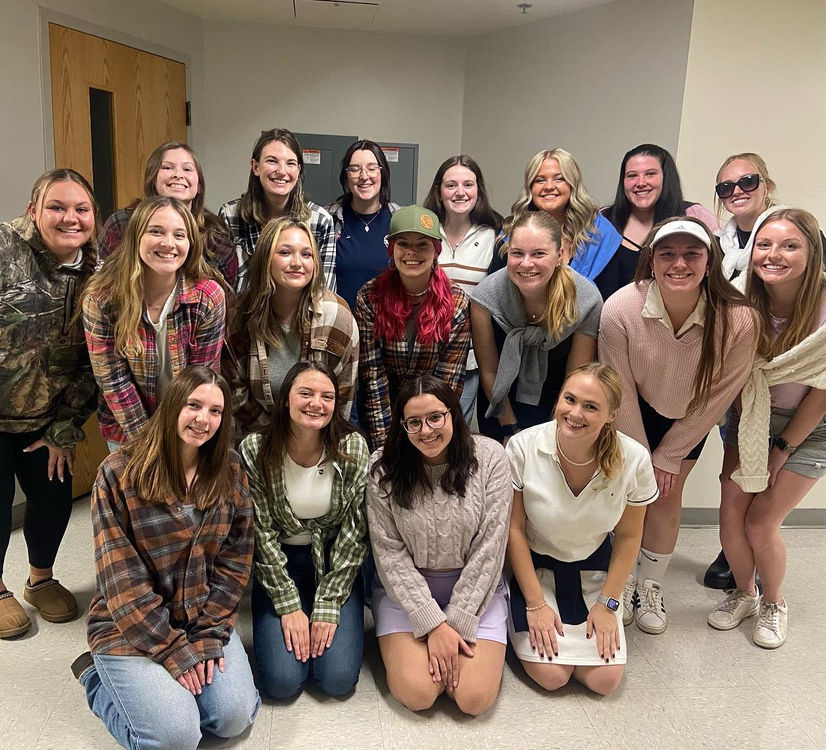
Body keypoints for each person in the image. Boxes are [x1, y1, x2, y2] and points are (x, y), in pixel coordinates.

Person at [71, 366, 260, 750]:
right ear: (173, 405)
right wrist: (172, 651)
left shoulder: (230, 469)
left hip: (201, 617)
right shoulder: (118, 474)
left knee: (233, 717)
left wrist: (208, 635)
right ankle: (95, 677)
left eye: (215, 411)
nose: (203, 419)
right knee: (177, 738)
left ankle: (171, 697)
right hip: (132, 626)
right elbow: (122, 582)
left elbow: (235, 563)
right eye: (194, 405)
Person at [598, 217, 756, 635]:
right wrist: (640, 457)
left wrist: (669, 454)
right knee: (627, 495)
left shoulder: (738, 319)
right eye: (667, 254)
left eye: (692, 254)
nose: (679, 264)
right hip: (631, 409)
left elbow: (719, 395)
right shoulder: (621, 307)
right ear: (651, 261)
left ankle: (650, 586)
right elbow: (617, 385)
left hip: (688, 416)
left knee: (666, 498)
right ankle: (622, 580)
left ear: (709, 262)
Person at [707, 208, 826, 649]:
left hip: (812, 424)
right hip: (751, 415)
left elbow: (821, 391)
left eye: (790, 246)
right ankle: (745, 593)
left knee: (760, 523)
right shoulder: (738, 297)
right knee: (730, 519)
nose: (773, 255)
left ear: (812, 253)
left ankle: (774, 602)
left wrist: (782, 449)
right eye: (764, 244)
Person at [505, 363, 657, 695]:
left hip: (593, 570)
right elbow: (514, 530)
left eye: (590, 407)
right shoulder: (522, 447)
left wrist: (609, 603)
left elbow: (629, 536)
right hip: (535, 569)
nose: (575, 414)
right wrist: (535, 604)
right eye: (569, 399)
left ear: (611, 415)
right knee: (552, 676)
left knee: (604, 681)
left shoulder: (634, 459)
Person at [367, 375, 511, 715]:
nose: (426, 430)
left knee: (473, 698)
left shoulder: (491, 457)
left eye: (435, 417)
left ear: (453, 415)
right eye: (414, 422)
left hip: (477, 591)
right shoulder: (382, 467)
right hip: (406, 594)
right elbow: (389, 554)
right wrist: (433, 624)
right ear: (402, 426)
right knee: (417, 694)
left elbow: (490, 549)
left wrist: (456, 623)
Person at [0, 169, 99, 639]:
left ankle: (40, 579)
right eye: (57, 207)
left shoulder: (99, 270)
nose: (70, 218)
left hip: (49, 417)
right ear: (33, 210)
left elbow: (94, 359)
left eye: (81, 209)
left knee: (54, 500)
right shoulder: (5, 248)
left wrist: (65, 427)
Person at [240, 361, 369, 699]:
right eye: (306, 393)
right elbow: (261, 534)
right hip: (280, 564)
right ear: (286, 399)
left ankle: (321, 622)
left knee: (337, 680)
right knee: (282, 684)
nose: (317, 403)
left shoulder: (353, 447)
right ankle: (295, 621)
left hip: (334, 561)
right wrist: (288, 605)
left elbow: (355, 533)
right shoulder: (255, 449)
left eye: (327, 396)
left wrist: (328, 603)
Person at [82, 196, 226, 450]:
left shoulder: (208, 297)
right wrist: (149, 444)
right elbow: (114, 382)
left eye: (179, 235)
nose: (168, 243)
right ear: (136, 237)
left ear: (191, 243)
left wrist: (179, 438)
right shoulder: (102, 299)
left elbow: (201, 378)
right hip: (127, 429)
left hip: (188, 425)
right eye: (156, 231)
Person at [472, 210, 603, 443]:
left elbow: (575, 377)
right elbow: (489, 371)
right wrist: (510, 429)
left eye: (539, 253)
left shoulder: (586, 300)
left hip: (559, 408)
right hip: (500, 405)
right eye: (517, 253)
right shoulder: (486, 296)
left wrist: (553, 433)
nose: (526, 263)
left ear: (560, 255)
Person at [223, 217, 358, 440]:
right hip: (259, 438)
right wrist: (278, 440)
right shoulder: (239, 316)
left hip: (320, 438)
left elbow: (341, 396)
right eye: (285, 252)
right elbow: (237, 396)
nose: (297, 263)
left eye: (306, 254)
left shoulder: (337, 315)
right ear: (265, 258)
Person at [355, 205, 471, 451]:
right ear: (392, 249)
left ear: (436, 251)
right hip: (382, 415)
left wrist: (428, 436)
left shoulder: (457, 303)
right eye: (403, 244)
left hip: (435, 418)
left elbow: (447, 384)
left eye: (422, 244)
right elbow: (373, 378)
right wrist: (386, 447)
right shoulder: (370, 297)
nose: (412, 252)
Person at [423, 155, 502, 423]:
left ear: (478, 190)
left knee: (455, 428)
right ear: (439, 191)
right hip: (424, 349)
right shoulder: (425, 232)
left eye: (468, 184)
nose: (460, 192)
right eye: (451, 185)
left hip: (469, 357)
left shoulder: (494, 236)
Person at [99, 140, 237, 287]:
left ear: (199, 186)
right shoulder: (121, 223)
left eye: (187, 169)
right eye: (167, 167)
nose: (178, 175)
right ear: (152, 179)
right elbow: (103, 280)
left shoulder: (216, 235)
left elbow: (229, 295)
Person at [490, 148, 622, 299]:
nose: (549, 186)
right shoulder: (511, 232)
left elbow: (609, 300)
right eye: (539, 180)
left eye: (559, 179)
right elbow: (493, 295)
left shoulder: (600, 233)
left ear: (573, 184)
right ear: (530, 187)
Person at [220, 128, 335, 292]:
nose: (281, 171)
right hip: (244, 308)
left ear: (298, 170)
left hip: (302, 309)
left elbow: (323, 292)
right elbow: (223, 287)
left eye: (290, 163)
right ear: (256, 167)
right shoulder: (230, 216)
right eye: (272, 161)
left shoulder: (320, 221)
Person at [601, 144, 720, 293]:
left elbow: (719, 272)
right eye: (632, 175)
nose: (640, 183)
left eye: (650, 174)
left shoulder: (695, 215)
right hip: (610, 308)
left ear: (666, 177)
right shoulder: (602, 221)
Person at [328, 139, 400, 313]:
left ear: (383, 173)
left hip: (388, 325)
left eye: (372, 168)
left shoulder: (399, 220)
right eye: (355, 169)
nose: (364, 176)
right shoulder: (328, 219)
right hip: (339, 324)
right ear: (346, 177)